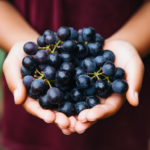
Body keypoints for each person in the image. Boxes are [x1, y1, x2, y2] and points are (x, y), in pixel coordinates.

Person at [0, 0, 150, 149]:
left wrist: (131, 41)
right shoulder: (46, 67)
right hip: (30, 126)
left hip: (123, 123)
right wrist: (18, 40)